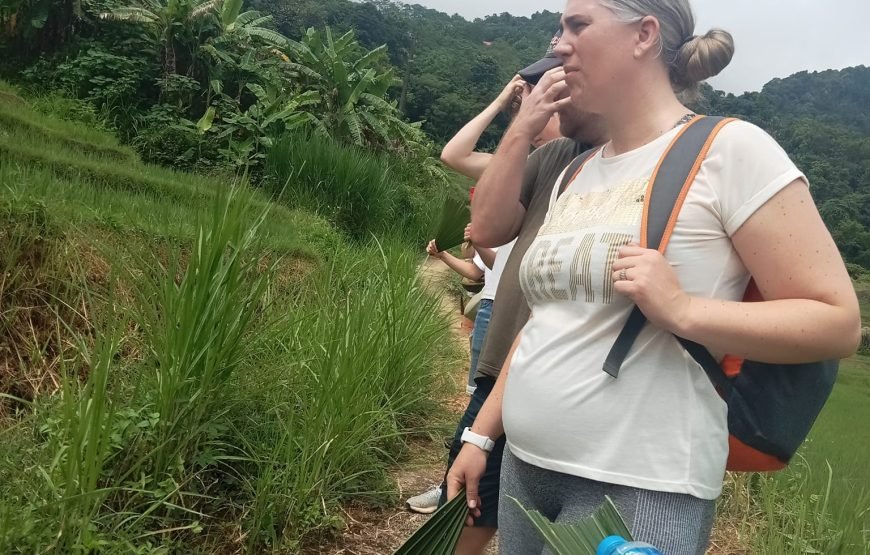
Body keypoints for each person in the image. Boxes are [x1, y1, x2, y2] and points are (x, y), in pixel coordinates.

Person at [449, 2, 861, 554]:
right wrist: (482, 434)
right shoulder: (577, 169)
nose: (559, 45)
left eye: (577, 26)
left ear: (643, 35)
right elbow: (545, 321)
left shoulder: (732, 149)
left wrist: (682, 309)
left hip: (640, 489)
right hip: (526, 468)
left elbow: (837, 323)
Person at [406, 40, 609, 555]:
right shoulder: (547, 159)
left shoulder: (628, 164)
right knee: (475, 494)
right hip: (510, 357)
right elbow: (484, 222)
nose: (539, 98)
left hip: (566, 378)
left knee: (516, 512)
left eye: (549, 86)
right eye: (536, 90)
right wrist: (510, 116)